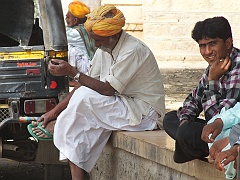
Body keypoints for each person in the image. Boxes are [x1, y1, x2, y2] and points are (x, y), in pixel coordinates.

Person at [27, 5, 165, 180]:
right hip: (122, 105)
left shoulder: (133, 50)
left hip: (145, 114)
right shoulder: (104, 48)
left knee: (82, 104)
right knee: (77, 128)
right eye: (94, 40)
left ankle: (59, 125)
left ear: (113, 36)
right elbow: (83, 85)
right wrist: (53, 112)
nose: (95, 45)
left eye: (98, 40)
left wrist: (72, 72)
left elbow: (107, 89)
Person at [163, 16, 240, 165]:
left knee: (186, 133)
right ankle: (188, 141)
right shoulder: (215, 65)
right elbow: (192, 100)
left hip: (228, 131)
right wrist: (185, 122)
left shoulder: (237, 69)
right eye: (202, 46)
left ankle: (190, 144)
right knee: (171, 119)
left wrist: (212, 82)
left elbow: (219, 118)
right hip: (210, 129)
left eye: (212, 44)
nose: (207, 51)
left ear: (228, 43)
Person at [65, 1, 97, 86]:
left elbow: (58, 35)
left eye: (67, 17)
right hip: (92, 65)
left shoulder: (75, 33)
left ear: (75, 20)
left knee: (71, 49)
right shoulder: (85, 27)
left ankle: (74, 78)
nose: (66, 20)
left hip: (86, 67)